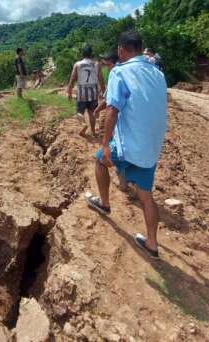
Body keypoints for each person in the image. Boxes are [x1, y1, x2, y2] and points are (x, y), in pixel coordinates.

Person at [86, 31, 168, 259]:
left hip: (131, 141)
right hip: (151, 144)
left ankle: (104, 203)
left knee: (100, 161)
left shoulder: (120, 71)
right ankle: (152, 244)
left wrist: (105, 144)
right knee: (146, 195)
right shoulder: (157, 72)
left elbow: (113, 109)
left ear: (121, 50)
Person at [67, 44, 105, 137]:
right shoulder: (96, 64)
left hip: (82, 92)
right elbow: (100, 78)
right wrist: (104, 91)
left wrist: (69, 91)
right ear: (91, 54)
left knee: (79, 112)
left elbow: (72, 78)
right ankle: (93, 132)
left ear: (82, 54)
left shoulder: (77, 64)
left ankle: (83, 123)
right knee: (92, 113)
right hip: (93, 92)